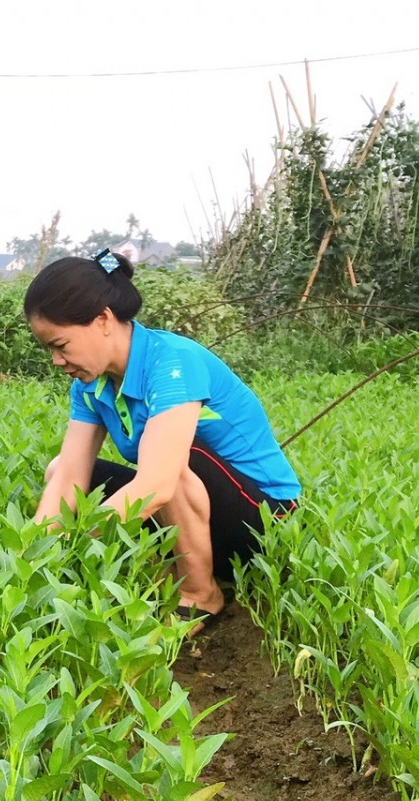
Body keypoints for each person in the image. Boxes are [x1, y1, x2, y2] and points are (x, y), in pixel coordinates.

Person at [28, 249, 300, 632]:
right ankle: (172, 565)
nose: (57, 360)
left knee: (170, 465)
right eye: (49, 350)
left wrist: (77, 541)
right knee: (60, 469)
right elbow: (69, 476)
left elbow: (157, 485)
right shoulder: (89, 384)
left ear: (103, 319)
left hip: (264, 520)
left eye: (61, 345)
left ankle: (200, 595)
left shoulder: (172, 363)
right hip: (199, 512)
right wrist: (29, 556)